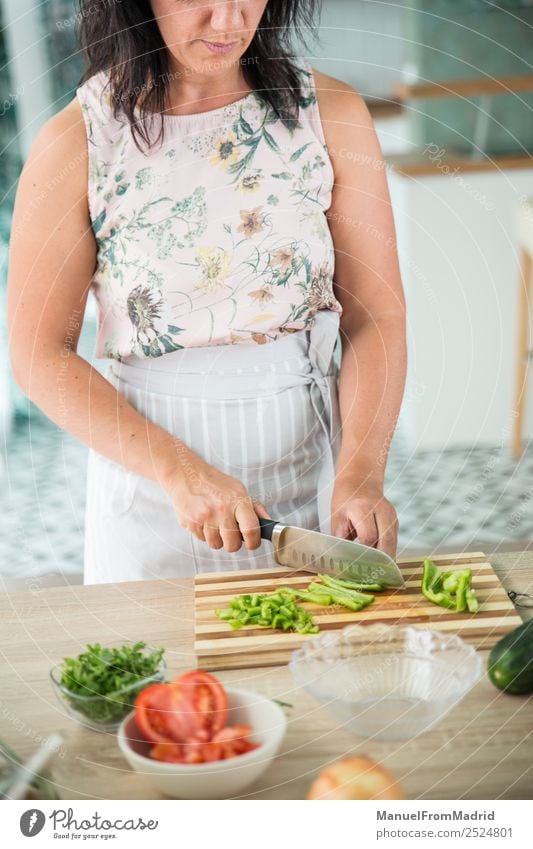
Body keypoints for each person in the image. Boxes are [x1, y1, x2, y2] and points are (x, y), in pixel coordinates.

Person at [7, 0, 407, 583]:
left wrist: (361, 473)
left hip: (315, 482)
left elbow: (375, 317)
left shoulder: (330, 113)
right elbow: (38, 354)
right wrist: (177, 471)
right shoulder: (79, 140)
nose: (229, 22)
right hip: (152, 494)